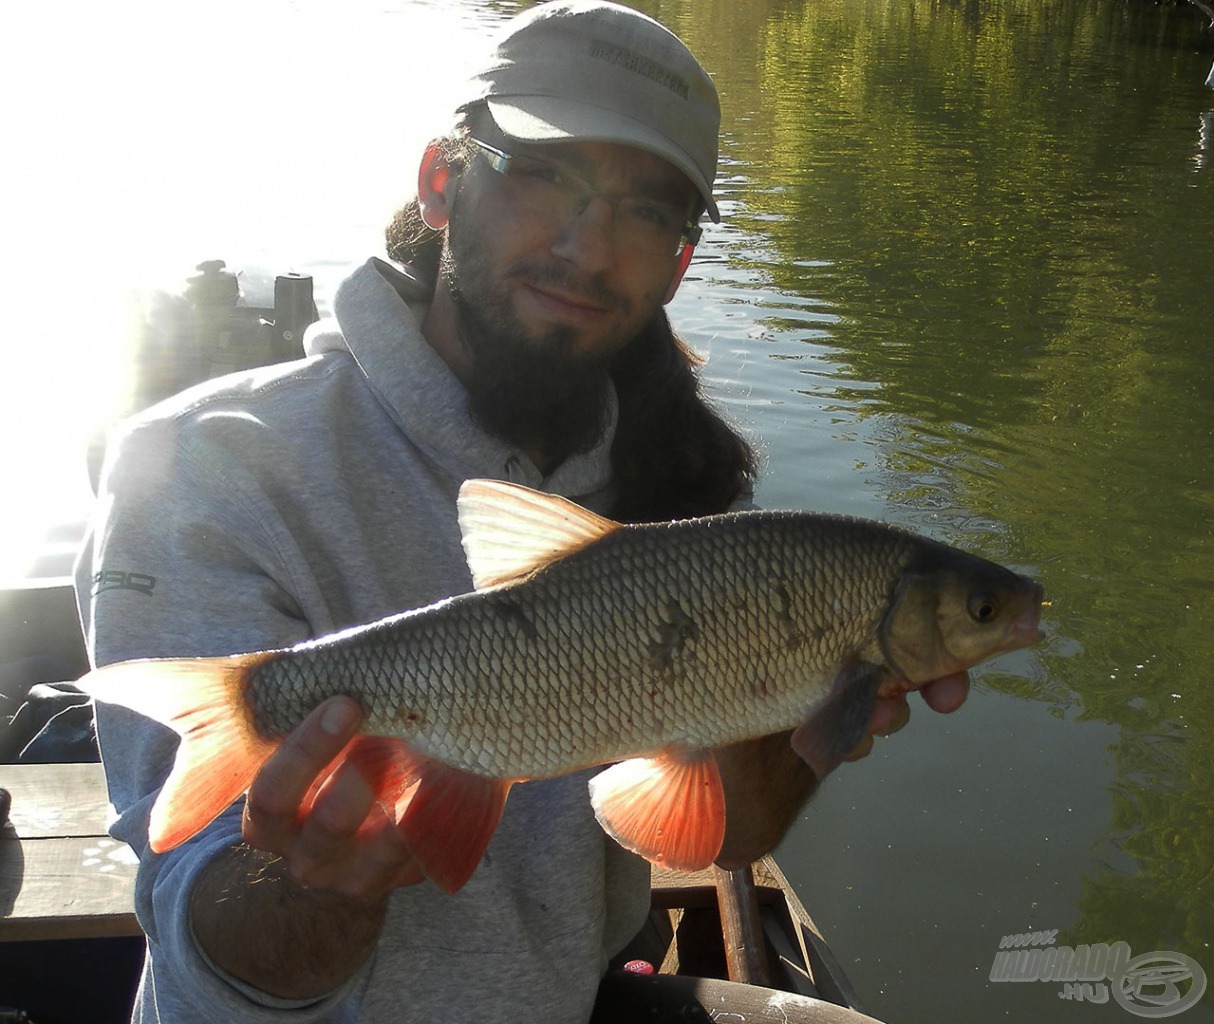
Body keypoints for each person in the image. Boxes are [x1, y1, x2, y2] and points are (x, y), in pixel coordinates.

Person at [75, 3, 969, 1022]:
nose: (588, 248)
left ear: (679, 259)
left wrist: (811, 715)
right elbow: (207, 937)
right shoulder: (204, 464)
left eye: (645, 210)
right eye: (543, 172)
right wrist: (310, 885)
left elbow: (719, 838)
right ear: (441, 182)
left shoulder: (684, 482)